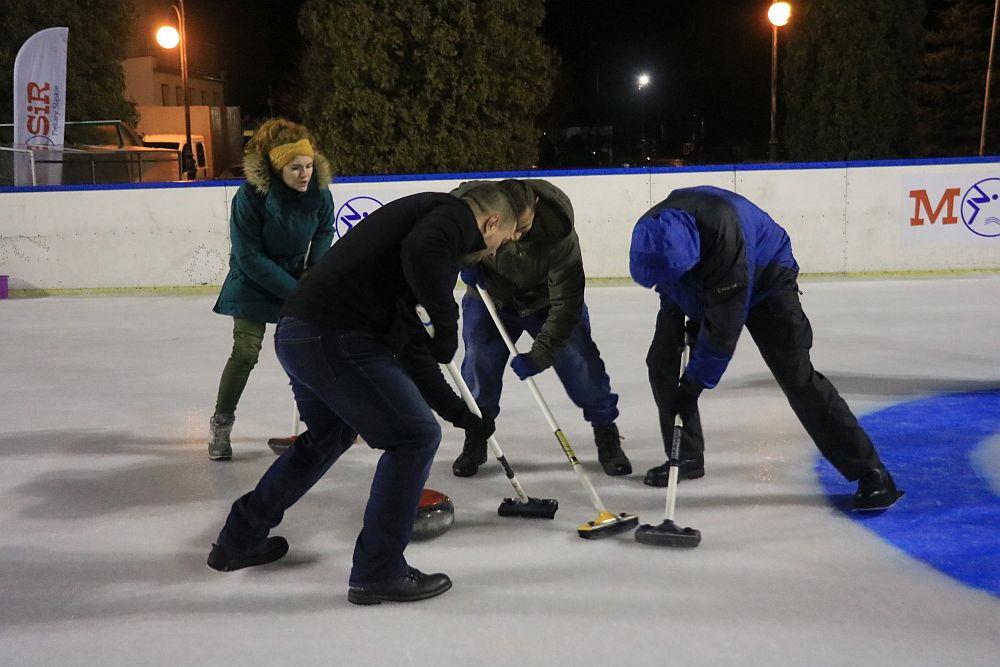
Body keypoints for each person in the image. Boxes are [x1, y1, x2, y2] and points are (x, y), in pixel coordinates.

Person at [207, 184, 520, 605]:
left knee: (329, 435)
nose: (494, 253)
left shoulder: (415, 240)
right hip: (334, 336)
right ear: (491, 221)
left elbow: (412, 351)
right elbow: (423, 251)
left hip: (299, 332)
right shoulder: (450, 217)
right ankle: (378, 571)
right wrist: (447, 324)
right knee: (414, 438)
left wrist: (461, 414)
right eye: (500, 241)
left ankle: (239, 539)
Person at [629, 185, 903, 512]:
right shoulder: (651, 233)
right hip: (705, 275)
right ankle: (685, 454)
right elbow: (669, 279)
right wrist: (685, 310)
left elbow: (725, 327)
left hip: (767, 278)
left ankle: (872, 473)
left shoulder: (725, 234)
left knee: (797, 377)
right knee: (661, 361)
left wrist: (693, 384)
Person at [450, 179, 631, 477]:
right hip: (490, 297)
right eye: (513, 230)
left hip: (545, 302)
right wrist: (463, 259)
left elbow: (566, 306)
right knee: (479, 362)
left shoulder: (560, 238)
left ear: (536, 205)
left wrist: (540, 355)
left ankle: (605, 431)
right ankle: (477, 434)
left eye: (523, 229)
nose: (516, 236)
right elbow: (442, 230)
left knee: (580, 363)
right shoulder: (473, 204)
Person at [207, 119, 335, 461]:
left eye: (308, 166)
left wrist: (312, 275)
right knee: (246, 351)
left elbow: (325, 231)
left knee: (307, 350)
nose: (304, 174)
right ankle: (221, 424)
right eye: (295, 168)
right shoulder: (250, 197)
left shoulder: (320, 193)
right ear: (278, 168)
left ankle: (321, 422)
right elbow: (248, 256)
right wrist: (295, 290)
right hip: (253, 282)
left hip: (297, 280)